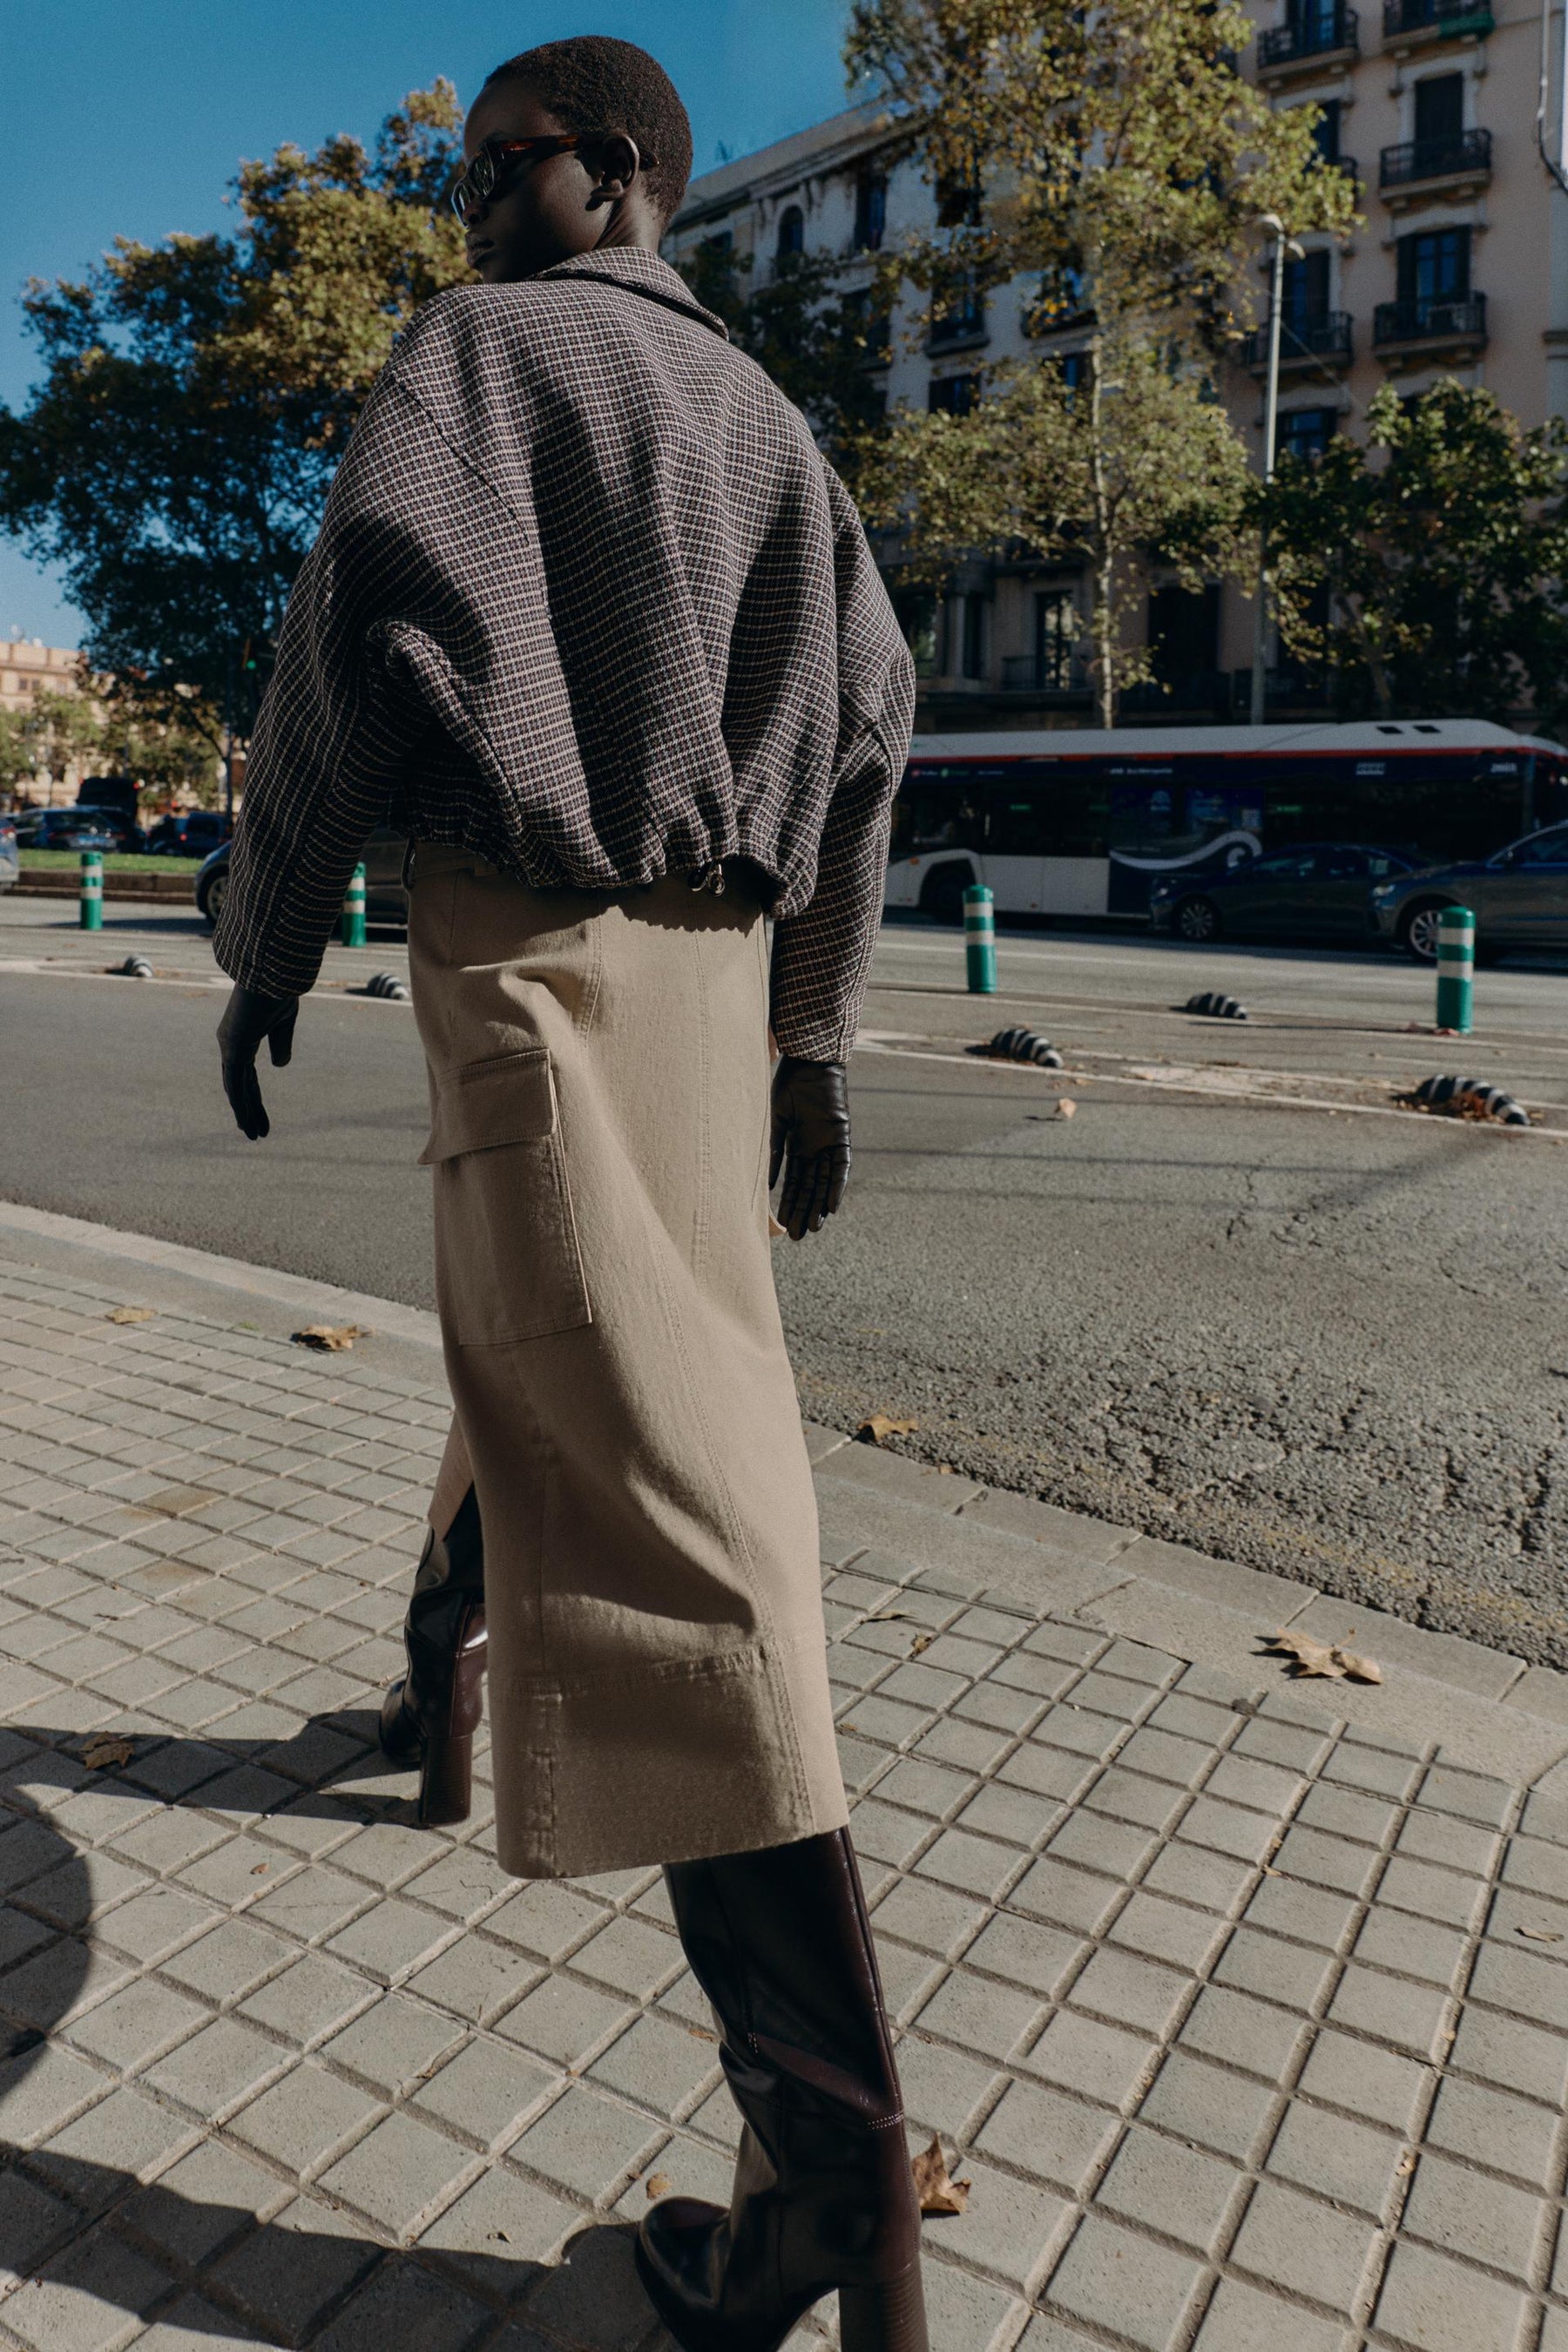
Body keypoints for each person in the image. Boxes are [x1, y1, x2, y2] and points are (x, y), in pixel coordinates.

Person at [213, 36, 923, 2352]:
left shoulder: (481, 366)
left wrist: (267, 929)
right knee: (580, 1380)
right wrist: (810, 1041)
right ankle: (438, 1666)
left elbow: (348, 651)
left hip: (534, 964)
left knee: (662, 1507)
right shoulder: (775, 435)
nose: (462, 206)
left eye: (491, 162)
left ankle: (829, 2159)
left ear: (620, 170)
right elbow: (871, 732)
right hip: (716, 993)